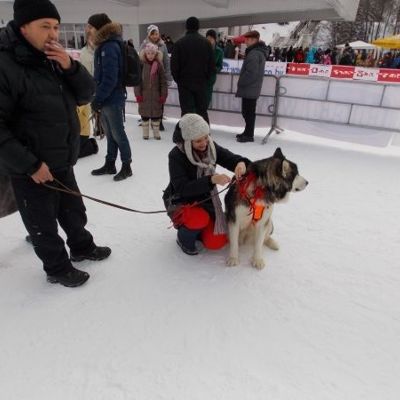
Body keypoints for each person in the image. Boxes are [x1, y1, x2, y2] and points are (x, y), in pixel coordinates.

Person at [0, 0, 111, 287]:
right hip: (31, 166)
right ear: (23, 27)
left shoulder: (52, 57)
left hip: (62, 155)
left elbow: (87, 94)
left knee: (73, 209)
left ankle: (82, 246)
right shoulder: (5, 63)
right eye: (45, 26)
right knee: (42, 222)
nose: (53, 34)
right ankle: (57, 268)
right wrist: (31, 165)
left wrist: (70, 66)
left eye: (56, 27)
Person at [163, 114, 250, 255]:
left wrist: (240, 163)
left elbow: (230, 158)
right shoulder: (176, 156)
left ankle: (199, 231)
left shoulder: (210, 146)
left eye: (206, 136)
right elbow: (182, 188)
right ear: (187, 141)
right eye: (198, 140)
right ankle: (184, 237)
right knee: (199, 219)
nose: (204, 143)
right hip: (182, 201)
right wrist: (211, 180)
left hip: (206, 200)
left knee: (216, 243)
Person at [89, 13, 133, 181]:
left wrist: (98, 98)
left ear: (99, 28)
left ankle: (127, 165)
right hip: (107, 97)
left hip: (112, 98)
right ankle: (110, 163)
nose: (88, 30)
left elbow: (110, 79)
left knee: (118, 133)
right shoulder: (105, 45)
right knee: (110, 133)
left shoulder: (109, 47)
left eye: (91, 27)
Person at [171, 16, 215, 124]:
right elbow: (211, 65)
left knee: (186, 112)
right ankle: (205, 136)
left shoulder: (179, 44)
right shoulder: (206, 43)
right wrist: (206, 78)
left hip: (184, 83)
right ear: (198, 27)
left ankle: (187, 137)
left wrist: (179, 80)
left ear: (186, 27)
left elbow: (174, 66)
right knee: (202, 111)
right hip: (201, 82)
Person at [235, 30, 268, 143]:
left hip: (250, 87)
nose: (246, 41)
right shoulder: (256, 52)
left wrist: (241, 82)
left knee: (248, 112)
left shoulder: (254, 53)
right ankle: (247, 132)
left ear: (254, 40)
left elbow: (251, 73)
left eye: (248, 39)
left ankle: (249, 135)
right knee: (248, 112)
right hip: (252, 88)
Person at [140, 24, 172, 131]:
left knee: (159, 99)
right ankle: (145, 120)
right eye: (152, 34)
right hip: (146, 76)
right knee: (146, 99)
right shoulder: (144, 45)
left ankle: (159, 121)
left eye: (156, 34)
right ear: (149, 35)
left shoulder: (163, 45)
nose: (155, 36)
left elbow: (166, 61)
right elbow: (140, 59)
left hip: (159, 75)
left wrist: (168, 77)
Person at [134, 43, 168, 140]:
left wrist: (163, 95)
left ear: (156, 54)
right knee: (144, 115)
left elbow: (163, 82)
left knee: (156, 116)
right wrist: (138, 94)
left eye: (152, 53)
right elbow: (138, 81)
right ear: (145, 54)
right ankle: (145, 133)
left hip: (156, 96)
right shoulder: (141, 65)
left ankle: (156, 133)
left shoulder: (159, 65)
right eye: (148, 53)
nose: (150, 55)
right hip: (144, 96)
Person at [77, 21, 98, 158]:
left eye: (94, 36)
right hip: (87, 86)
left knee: (97, 109)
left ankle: (100, 130)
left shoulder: (101, 51)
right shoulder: (83, 52)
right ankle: (89, 134)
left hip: (99, 85)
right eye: (90, 36)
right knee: (86, 110)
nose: (92, 39)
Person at [205, 29, 223, 108]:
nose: (209, 40)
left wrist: (214, 69)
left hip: (210, 78)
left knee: (206, 99)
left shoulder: (219, 51)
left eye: (211, 39)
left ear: (215, 40)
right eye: (207, 38)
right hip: (199, 77)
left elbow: (220, 66)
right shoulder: (201, 48)